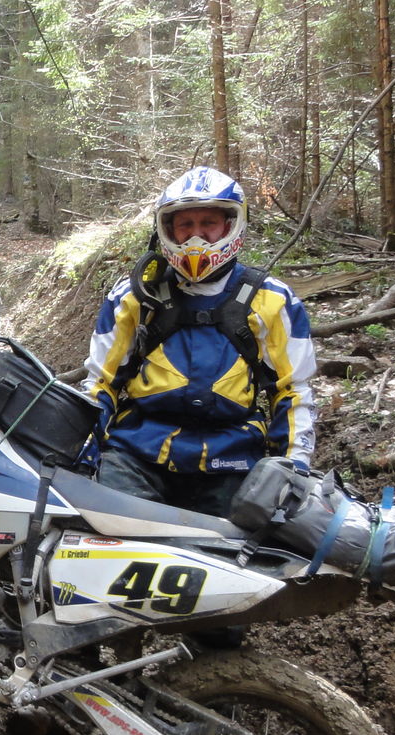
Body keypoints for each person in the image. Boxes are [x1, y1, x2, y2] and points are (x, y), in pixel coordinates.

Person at [79, 166, 319, 519]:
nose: (196, 236)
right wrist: (83, 452)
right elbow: (101, 383)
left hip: (232, 456)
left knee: (236, 546)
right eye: (185, 225)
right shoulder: (133, 296)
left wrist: (293, 468)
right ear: (167, 229)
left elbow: (293, 391)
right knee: (110, 530)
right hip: (137, 452)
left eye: (208, 223)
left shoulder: (272, 299)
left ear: (231, 225)